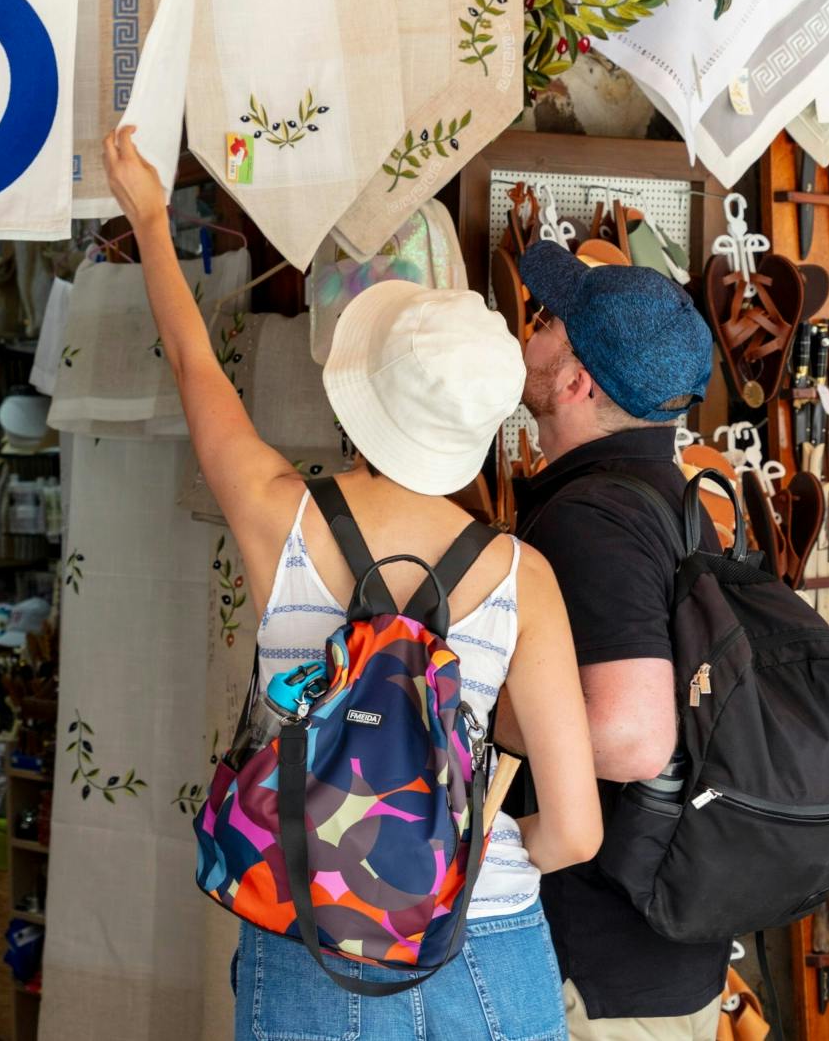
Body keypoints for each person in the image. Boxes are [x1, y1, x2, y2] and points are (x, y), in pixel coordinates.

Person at [104, 127, 602, 1041]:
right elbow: (575, 833)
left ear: (360, 389)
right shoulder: (524, 579)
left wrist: (146, 213)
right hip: (483, 944)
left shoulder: (279, 512)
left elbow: (194, 366)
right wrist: (450, 863)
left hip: (310, 933)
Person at [510, 237, 724, 1039]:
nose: (527, 332)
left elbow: (630, 738)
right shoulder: (678, 501)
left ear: (575, 379)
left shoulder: (597, 517)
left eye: (546, 321)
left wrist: (470, 712)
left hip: (605, 977)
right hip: (656, 956)